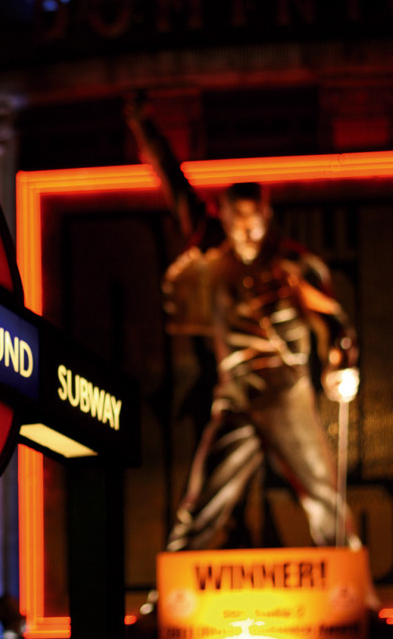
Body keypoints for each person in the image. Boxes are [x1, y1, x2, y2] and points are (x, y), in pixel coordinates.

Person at [126, 97, 363, 554]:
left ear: (267, 217)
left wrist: (341, 360)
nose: (249, 236)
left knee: (322, 498)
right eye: (240, 226)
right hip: (235, 393)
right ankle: (169, 594)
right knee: (201, 501)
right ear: (226, 219)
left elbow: (333, 319)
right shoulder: (214, 247)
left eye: (256, 226)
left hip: (285, 392)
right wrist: (144, 128)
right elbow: (173, 184)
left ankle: (351, 592)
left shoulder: (293, 264)